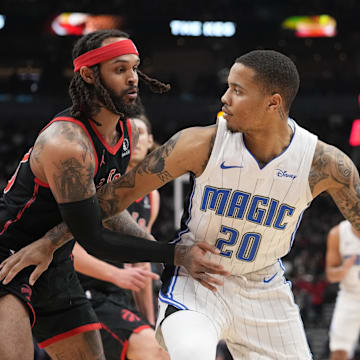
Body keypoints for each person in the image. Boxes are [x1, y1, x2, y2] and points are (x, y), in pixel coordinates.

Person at [3, 49, 360, 359]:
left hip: (264, 287)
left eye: (237, 90)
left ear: (273, 102)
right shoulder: (198, 143)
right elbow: (110, 200)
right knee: (191, 353)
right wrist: (50, 243)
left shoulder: (327, 166)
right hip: (197, 280)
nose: (224, 98)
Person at [0, 29, 227, 360]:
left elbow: (106, 206)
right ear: (90, 75)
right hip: (8, 256)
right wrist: (175, 255)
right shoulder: (67, 144)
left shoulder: (129, 135)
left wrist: (167, 250)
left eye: (135, 67)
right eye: (120, 69)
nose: (133, 78)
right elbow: (92, 235)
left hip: (56, 264)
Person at [73, 113, 168, 360]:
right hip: (81, 289)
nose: (135, 139)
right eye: (129, 133)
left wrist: (149, 319)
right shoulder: (96, 182)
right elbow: (66, 250)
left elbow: (140, 260)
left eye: (141, 133)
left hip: (118, 293)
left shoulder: (151, 197)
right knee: (155, 352)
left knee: (160, 346)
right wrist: (118, 275)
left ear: (151, 142)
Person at [326, 220, 360, 360]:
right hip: (350, 296)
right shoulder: (337, 233)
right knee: (339, 352)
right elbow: (331, 275)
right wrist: (343, 269)